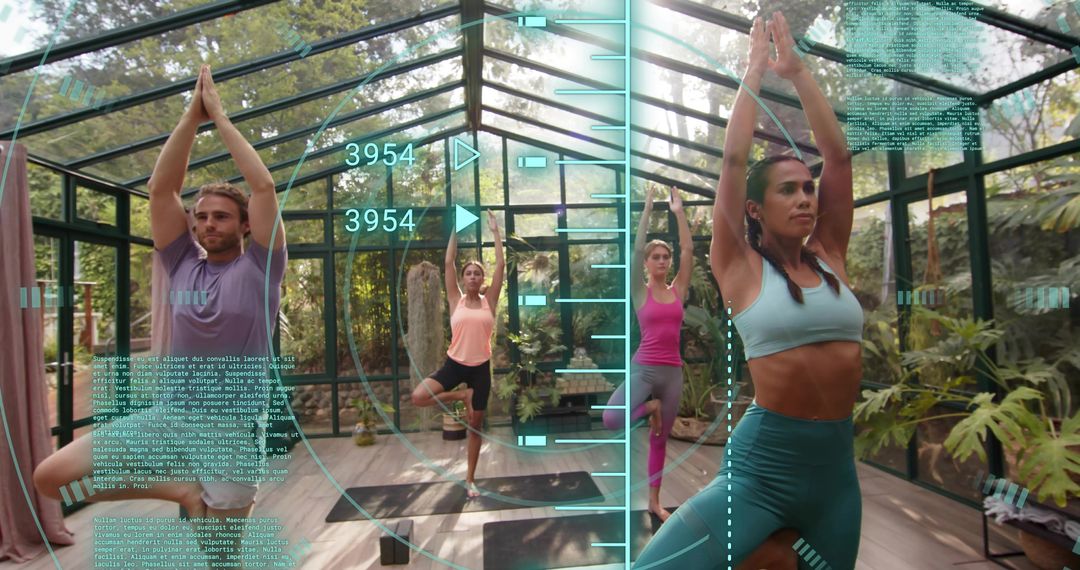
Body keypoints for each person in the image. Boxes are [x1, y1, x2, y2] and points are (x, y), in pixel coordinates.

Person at [33, 65, 287, 568]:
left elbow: (263, 188)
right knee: (51, 478)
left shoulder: (262, 267)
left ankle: (202, 507)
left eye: (221, 216)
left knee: (221, 560)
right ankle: (181, 490)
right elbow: (160, 189)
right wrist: (190, 118)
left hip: (232, 429)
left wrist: (220, 117)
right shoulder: (181, 262)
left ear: (244, 225)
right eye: (202, 216)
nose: (208, 224)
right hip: (170, 416)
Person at [634, 12, 861, 570]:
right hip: (765, 468)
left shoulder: (830, 254)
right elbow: (734, 161)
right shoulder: (739, 265)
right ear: (755, 209)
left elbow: (838, 158)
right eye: (788, 190)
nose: (805, 197)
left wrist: (798, 72)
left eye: (808, 189)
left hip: (836, 473)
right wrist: (754, 72)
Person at [602, 185, 691, 522]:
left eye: (666, 257)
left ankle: (654, 501)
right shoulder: (640, 291)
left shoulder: (678, 289)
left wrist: (678, 212)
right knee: (612, 418)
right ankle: (649, 407)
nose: (662, 261)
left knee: (659, 439)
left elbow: (688, 248)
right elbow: (637, 248)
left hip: (672, 372)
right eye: (657, 257)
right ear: (647, 263)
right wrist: (648, 209)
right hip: (644, 368)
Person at [410, 211, 505, 498]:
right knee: (419, 397)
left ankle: (470, 479)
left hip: (480, 369)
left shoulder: (490, 301)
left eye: (477, 273)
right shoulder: (456, 300)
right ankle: (462, 396)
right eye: (469, 273)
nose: (473, 276)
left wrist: (495, 231)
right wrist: (455, 227)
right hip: (454, 364)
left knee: (475, 427)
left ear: (482, 278)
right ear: (463, 279)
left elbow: (501, 264)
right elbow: (448, 261)